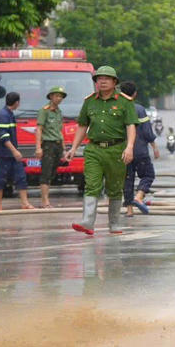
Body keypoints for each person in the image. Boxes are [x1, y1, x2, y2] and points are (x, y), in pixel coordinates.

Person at [64, 65, 136, 236]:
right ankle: (88, 221)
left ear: (114, 82)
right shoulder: (89, 101)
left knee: (115, 187)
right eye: (99, 79)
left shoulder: (124, 102)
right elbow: (82, 126)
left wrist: (130, 147)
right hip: (94, 149)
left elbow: (130, 125)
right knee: (92, 185)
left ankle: (114, 223)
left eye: (106, 78)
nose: (102, 81)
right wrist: (73, 148)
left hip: (116, 150)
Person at [120, 81, 159, 217]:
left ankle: (129, 210)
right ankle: (139, 196)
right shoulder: (139, 109)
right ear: (135, 94)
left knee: (127, 180)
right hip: (140, 150)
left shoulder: (116, 108)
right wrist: (154, 147)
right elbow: (148, 132)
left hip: (123, 152)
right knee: (148, 175)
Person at [0, 92, 34, 211]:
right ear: (16, 102)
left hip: (12, 155)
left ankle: (25, 203)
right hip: (3, 154)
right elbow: (3, 136)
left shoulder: (9, 114)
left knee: (21, 177)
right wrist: (15, 151)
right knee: (0, 179)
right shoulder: (3, 115)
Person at [34, 87, 66, 208]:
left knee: (53, 172)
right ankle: (45, 201)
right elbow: (39, 129)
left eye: (61, 96)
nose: (59, 98)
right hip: (48, 144)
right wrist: (38, 147)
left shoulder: (59, 112)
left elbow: (59, 130)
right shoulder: (44, 111)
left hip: (57, 145)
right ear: (51, 97)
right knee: (46, 172)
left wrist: (64, 148)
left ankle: (46, 199)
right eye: (57, 96)